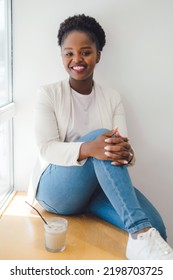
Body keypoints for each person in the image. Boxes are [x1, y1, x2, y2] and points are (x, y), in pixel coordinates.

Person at [27, 14, 173, 260]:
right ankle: (139, 233)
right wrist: (90, 147)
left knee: (156, 227)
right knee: (100, 137)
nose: (77, 59)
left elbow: (120, 146)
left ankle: (141, 235)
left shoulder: (112, 97)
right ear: (62, 56)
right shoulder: (48, 94)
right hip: (56, 189)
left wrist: (127, 153)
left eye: (85, 52)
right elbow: (47, 149)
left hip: (94, 190)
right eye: (69, 53)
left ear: (98, 55)